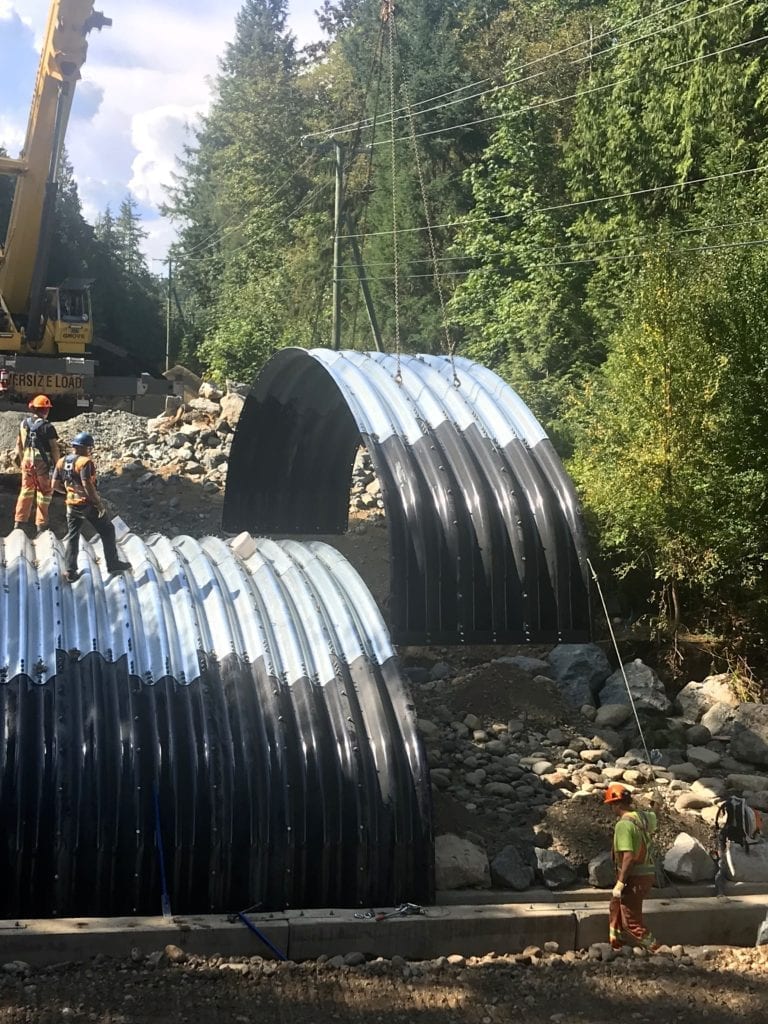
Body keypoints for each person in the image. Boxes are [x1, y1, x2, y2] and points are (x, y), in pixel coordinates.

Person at [51, 431, 131, 583]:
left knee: (73, 537)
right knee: (108, 530)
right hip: (87, 505)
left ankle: (70, 571)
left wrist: (68, 492)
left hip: (71, 505)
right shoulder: (85, 463)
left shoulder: (61, 461)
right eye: (89, 448)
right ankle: (113, 564)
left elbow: (54, 485)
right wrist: (98, 503)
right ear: (83, 448)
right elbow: (87, 485)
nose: (90, 451)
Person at [604, 782, 660, 951]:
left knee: (631, 920)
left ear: (617, 804)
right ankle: (617, 944)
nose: (611, 809)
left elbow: (628, 857)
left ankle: (657, 949)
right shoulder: (642, 817)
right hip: (646, 874)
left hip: (634, 877)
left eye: (612, 805)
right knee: (616, 905)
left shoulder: (623, 825)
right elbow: (655, 815)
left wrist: (620, 883)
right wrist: (657, 804)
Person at [14, 394, 61, 535]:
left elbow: (19, 444)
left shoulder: (23, 424)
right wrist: (57, 465)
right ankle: (41, 526)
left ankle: (19, 523)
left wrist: (23, 461)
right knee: (44, 493)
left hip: (27, 462)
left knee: (25, 491)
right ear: (46, 410)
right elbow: (54, 448)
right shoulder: (48, 427)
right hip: (43, 464)